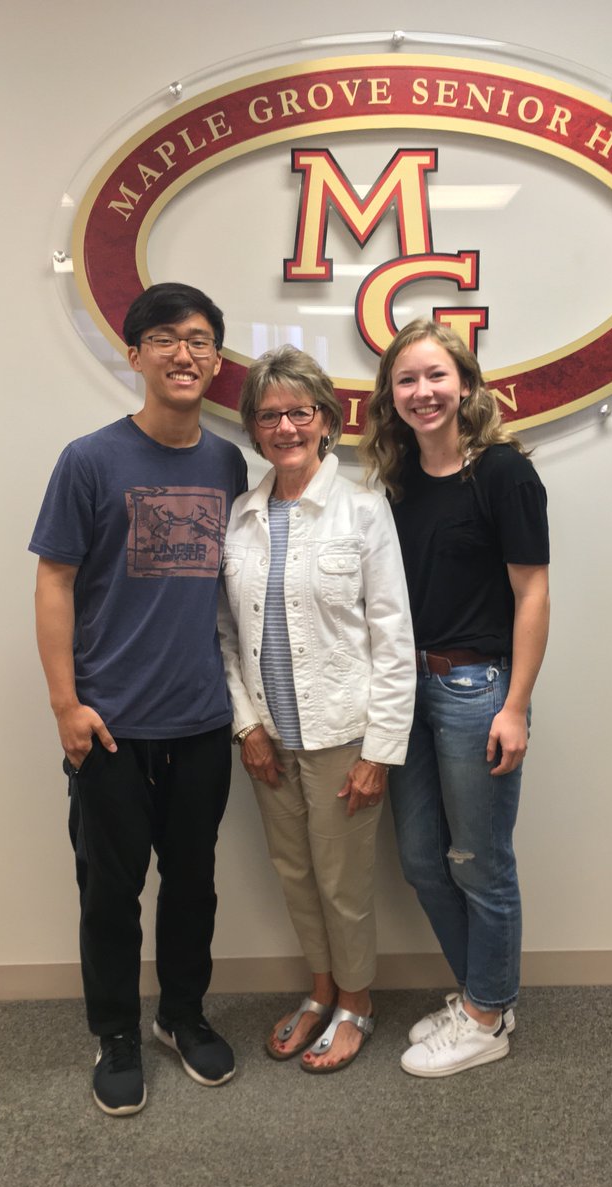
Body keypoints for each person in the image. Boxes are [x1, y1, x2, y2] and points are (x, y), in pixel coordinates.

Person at [29, 282, 248, 1116]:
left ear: (216, 360)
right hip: (109, 726)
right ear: (134, 355)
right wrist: (66, 705)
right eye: (164, 339)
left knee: (193, 883)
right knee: (109, 892)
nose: (182, 354)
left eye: (198, 340)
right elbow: (54, 580)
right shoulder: (89, 460)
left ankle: (181, 1016)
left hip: (201, 718)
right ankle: (116, 1032)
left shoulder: (228, 464)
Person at [360, 318, 550, 1078]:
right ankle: (483, 995)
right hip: (405, 689)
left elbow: (532, 593)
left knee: (479, 862)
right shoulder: (397, 479)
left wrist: (516, 706)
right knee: (421, 861)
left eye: (436, 375)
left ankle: (487, 1016)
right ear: (391, 396)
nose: (423, 391)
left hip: (477, 691)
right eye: (406, 380)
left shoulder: (503, 473)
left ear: (465, 383)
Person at [218, 345, 415, 1073]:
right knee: (295, 874)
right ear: (253, 428)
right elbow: (224, 636)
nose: (285, 427)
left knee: (343, 881)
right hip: (269, 738)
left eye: (300, 412)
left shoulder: (363, 511)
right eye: (269, 416)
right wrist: (246, 725)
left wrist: (379, 752)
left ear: (328, 420)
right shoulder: (240, 519)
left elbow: (394, 636)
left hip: (342, 737)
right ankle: (321, 990)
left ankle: (356, 1003)